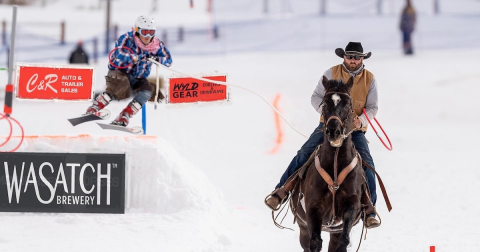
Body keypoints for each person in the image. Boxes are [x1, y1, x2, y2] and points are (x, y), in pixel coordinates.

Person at [265, 42, 380, 229]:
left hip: (354, 131)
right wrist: (329, 114)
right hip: (327, 127)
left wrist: (361, 121)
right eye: (349, 56)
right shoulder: (330, 73)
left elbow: (373, 107)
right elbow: (315, 97)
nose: (353, 60)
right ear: (344, 57)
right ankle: (281, 192)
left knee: (368, 164)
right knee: (304, 153)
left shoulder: (370, 79)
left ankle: (370, 210)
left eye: (356, 57)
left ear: (362, 59)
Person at [85, 15, 172, 126]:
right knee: (121, 83)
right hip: (119, 72)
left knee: (148, 90)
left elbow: (168, 60)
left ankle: (125, 115)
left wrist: (157, 59)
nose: (148, 36)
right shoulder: (127, 38)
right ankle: (95, 106)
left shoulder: (156, 45)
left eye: (151, 32)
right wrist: (135, 57)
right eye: (145, 32)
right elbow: (119, 54)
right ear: (137, 31)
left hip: (138, 78)